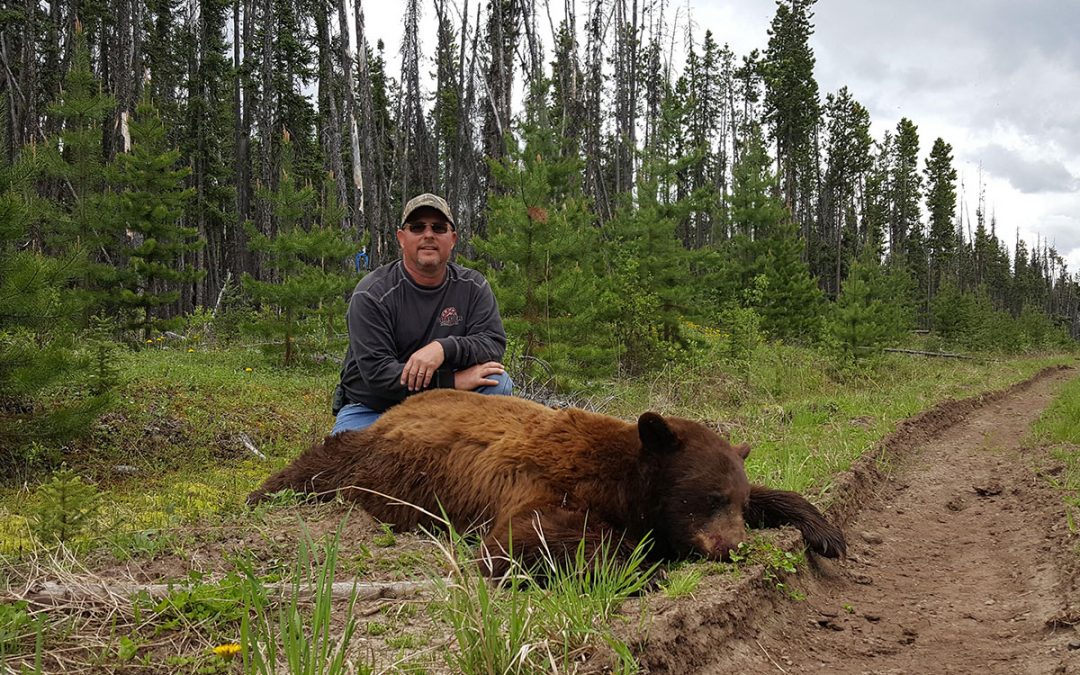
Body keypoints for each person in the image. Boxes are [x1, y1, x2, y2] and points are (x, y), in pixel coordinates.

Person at [331, 193, 512, 434]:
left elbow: (493, 343)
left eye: (438, 228)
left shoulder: (472, 286)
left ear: (453, 239)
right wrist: (453, 382)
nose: (428, 235)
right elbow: (378, 374)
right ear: (402, 238)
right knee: (342, 466)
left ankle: (455, 453)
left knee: (496, 382)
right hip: (374, 407)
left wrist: (443, 348)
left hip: (445, 405)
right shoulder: (372, 293)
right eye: (417, 227)